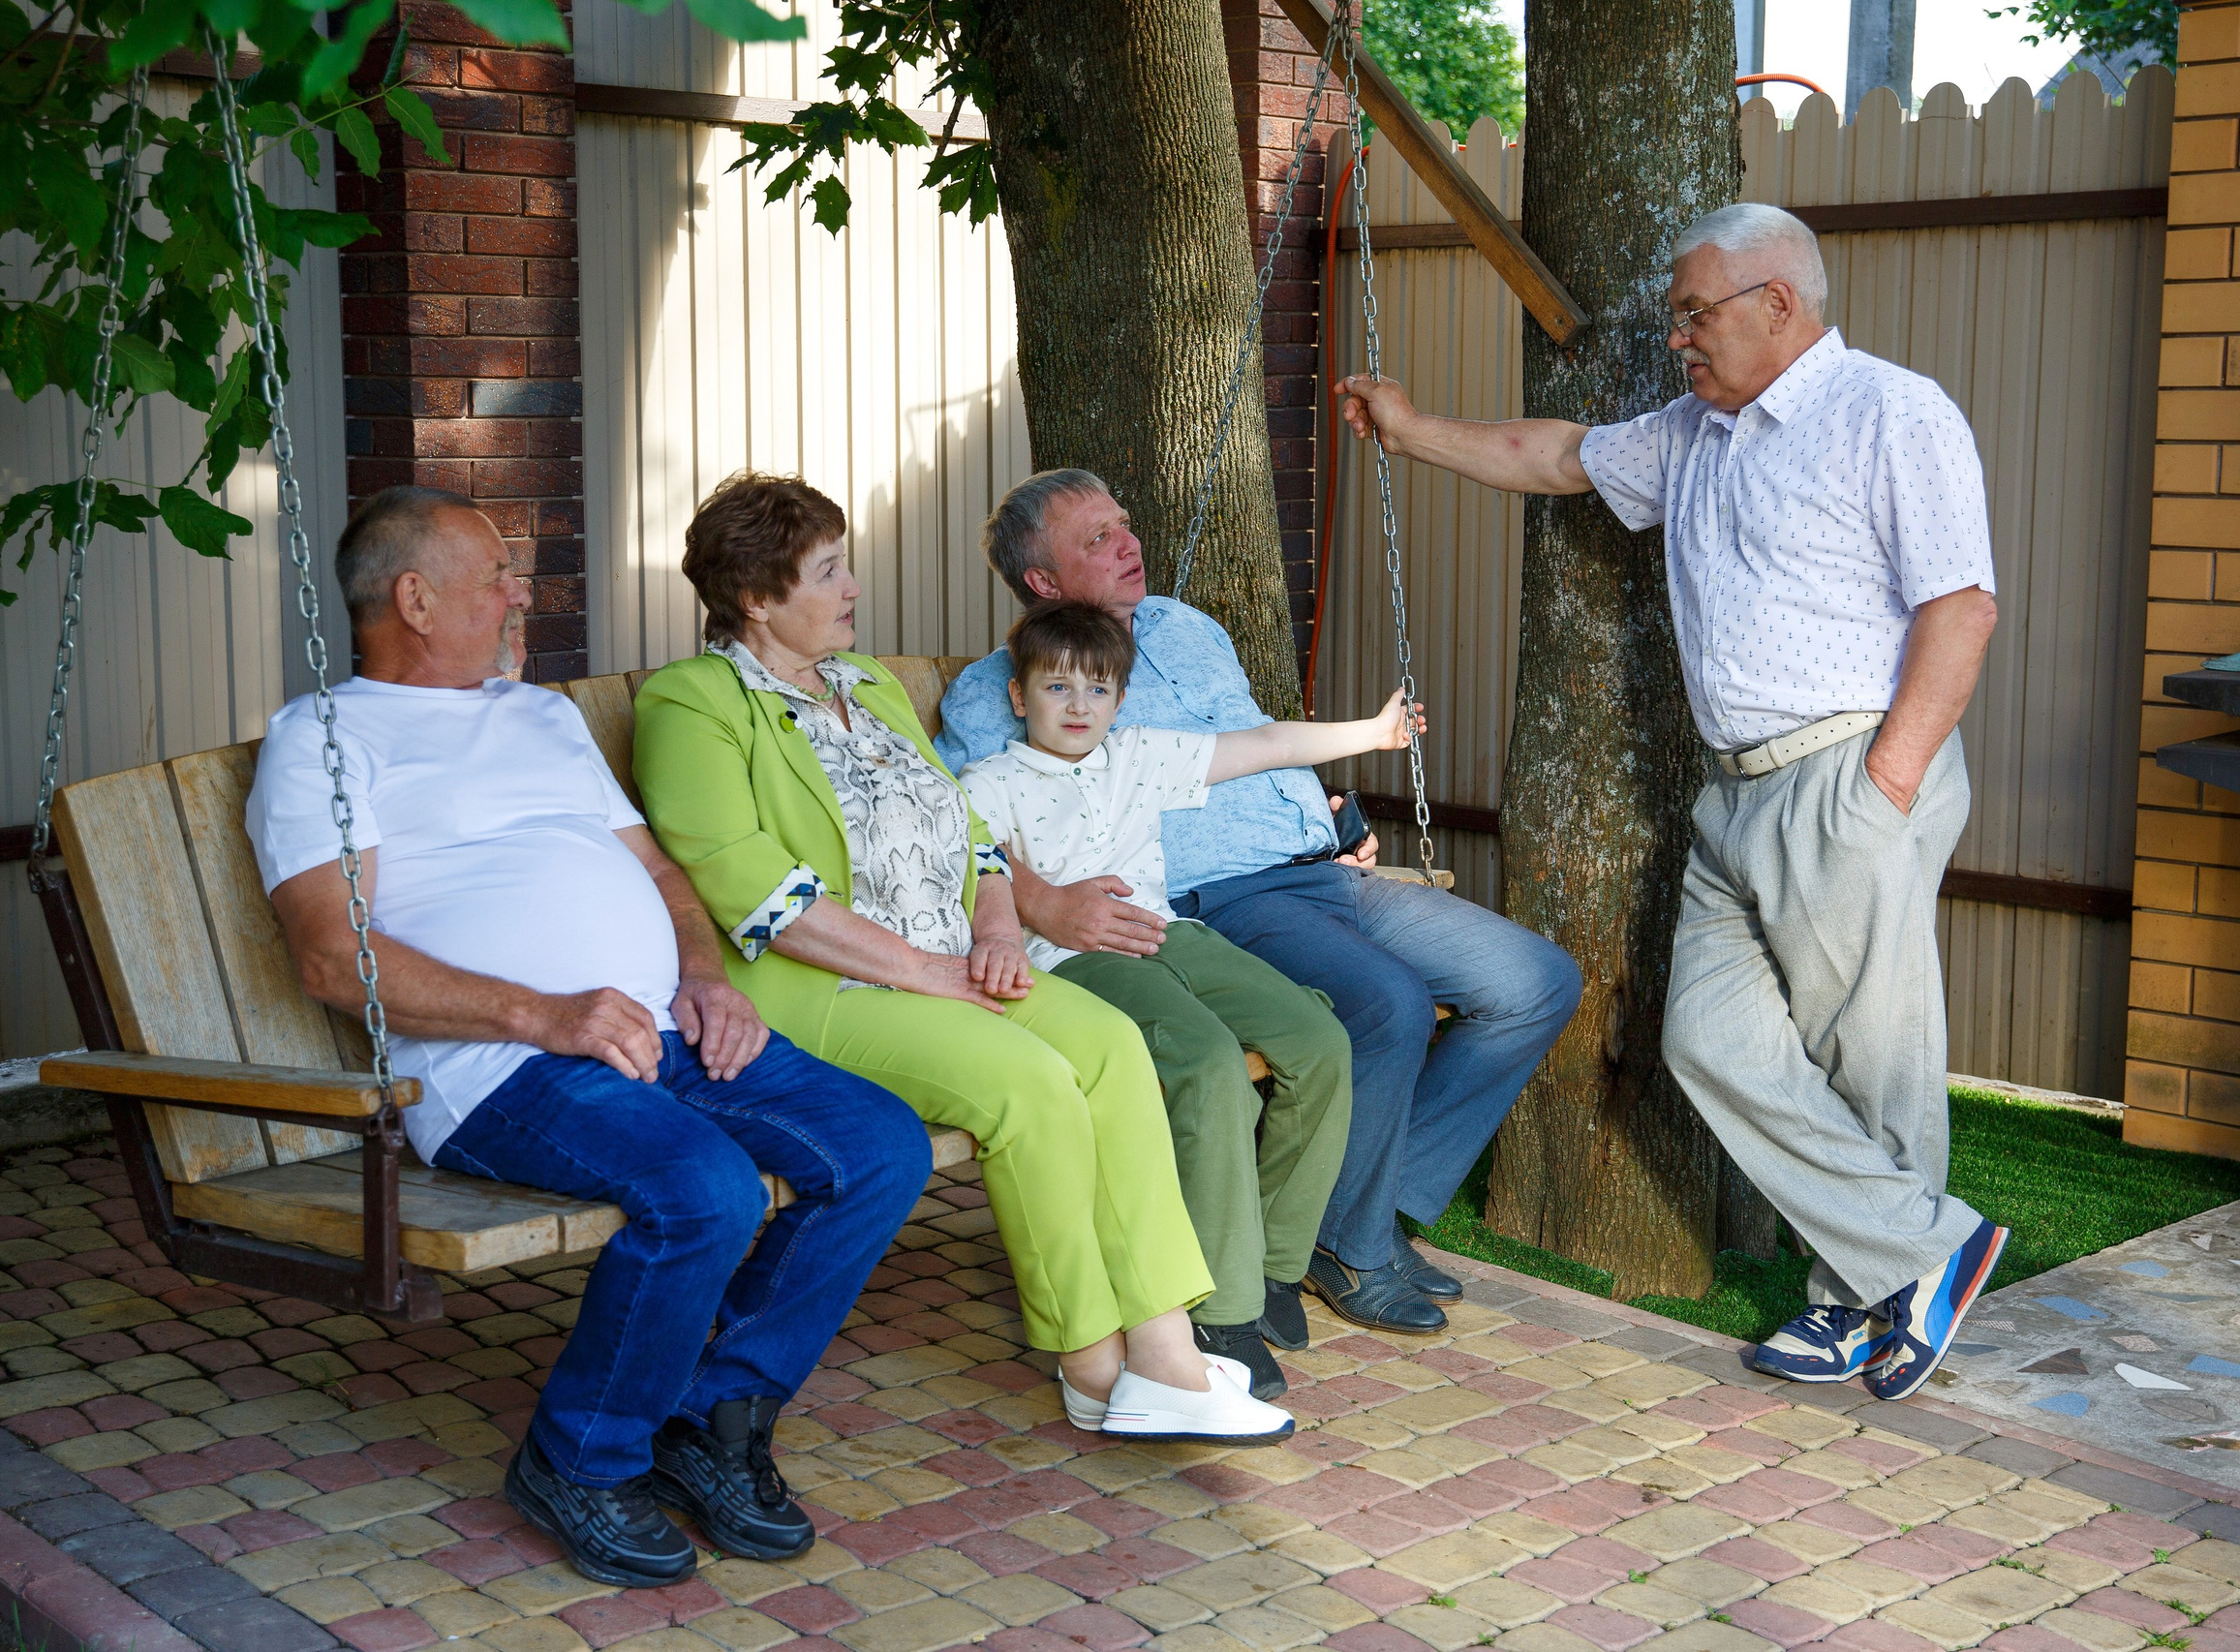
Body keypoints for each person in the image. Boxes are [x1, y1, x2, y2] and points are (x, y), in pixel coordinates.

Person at [1336, 200, 2009, 1400]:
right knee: (1709, 1035)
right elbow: (1552, 455)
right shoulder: (1692, 432)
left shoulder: (1890, 412)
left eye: (1694, 314)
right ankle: (1918, 1255)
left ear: (1777, 304)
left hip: (1846, 769)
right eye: (1673, 317)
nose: (1677, 339)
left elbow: (1959, 608)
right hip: (1735, 790)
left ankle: (1860, 1301)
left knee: (1870, 1053)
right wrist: (1408, 429)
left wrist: (1884, 783)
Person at [245, 486, 931, 1588]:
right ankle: (579, 1455)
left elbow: (659, 871)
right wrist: (544, 1012)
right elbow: (336, 957)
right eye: (495, 577)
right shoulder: (324, 739)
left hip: (653, 1030)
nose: (521, 594)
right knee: (703, 1187)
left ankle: (711, 1418)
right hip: (501, 1066)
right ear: (414, 599)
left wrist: (704, 979)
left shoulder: (539, 715)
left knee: (878, 1145)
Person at [630, 472, 1295, 1445]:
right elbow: (755, 890)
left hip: (947, 959)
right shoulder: (693, 701)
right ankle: (1088, 1360)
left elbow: (972, 830)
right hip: (822, 985)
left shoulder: (872, 686)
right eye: (828, 571)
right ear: (757, 599)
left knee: (1109, 1045)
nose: (853, 586)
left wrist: (990, 930)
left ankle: (1164, 1356)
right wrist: (923, 969)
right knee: (1029, 1080)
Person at [936, 473, 1583, 1338]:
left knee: (1535, 980)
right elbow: (967, 823)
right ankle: (1350, 1246)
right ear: (1043, 582)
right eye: (1096, 538)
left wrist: (1328, 809)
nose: (1128, 542)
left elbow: (1257, 739)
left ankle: (1356, 1210)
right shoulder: (1001, 687)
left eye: (1124, 522)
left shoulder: (1187, 627)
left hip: (1327, 867)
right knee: (1384, 1004)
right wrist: (1042, 902)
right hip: (1223, 899)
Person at [958, 601, 1419, 1392]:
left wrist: (1369, 736)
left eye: (1096, 691)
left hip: (1174, 937)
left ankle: (1274, 1263)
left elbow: (1268, 743)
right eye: (1056, 687)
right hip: (1078, 958)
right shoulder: (989, 783)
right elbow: (977, 873)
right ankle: (1223, 1309)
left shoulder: (1139, 756)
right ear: (1017, 697)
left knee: (1320, 1040)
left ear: (1120, 701)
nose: (1077, 707)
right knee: (1207, 1063)